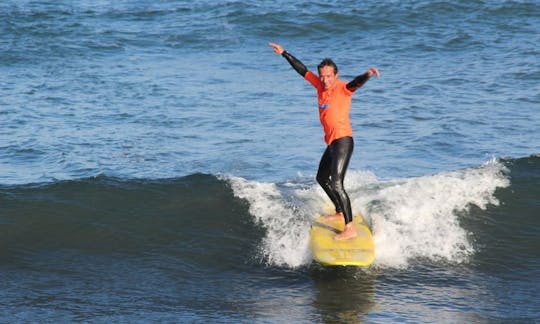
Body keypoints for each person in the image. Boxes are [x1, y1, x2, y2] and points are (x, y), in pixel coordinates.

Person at [269, 42, 380, 240]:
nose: (325, 79)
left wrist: (368, 75)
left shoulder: (342, 88)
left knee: (337, 183)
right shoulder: (319, 85)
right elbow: (302, 69)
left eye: (329, 76)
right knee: (322, 178)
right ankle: (339, 210)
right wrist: (284, 53)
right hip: (332, 143)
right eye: (322, 75)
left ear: (335, 75)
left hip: (344, 141)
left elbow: (355, 83)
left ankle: (350, 227)